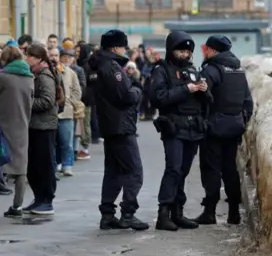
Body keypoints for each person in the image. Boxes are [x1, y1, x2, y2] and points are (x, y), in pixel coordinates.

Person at [88, 29, 149, 231]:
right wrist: (137, 89)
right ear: (115, 47)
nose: (125, 50)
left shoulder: (99, 65)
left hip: (109, 124)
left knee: (113, 171)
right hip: (120, 125)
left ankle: (107, 214)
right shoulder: (112, 67)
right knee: (134, 171)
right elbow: (126, 96)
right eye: (123, 46)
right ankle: (128, 213)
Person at [149, 31, 208, 231]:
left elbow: (208, 102)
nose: (184, 55)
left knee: (182, 172)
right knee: (173, 169)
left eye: (187, 51)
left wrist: (204, 90)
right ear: (171, 50)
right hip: (173, 127)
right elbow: (158, 98)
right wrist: (186, 89)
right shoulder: (162, 70)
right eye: (180, 50)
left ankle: (178, 213)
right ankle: (163, 214)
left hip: (193, 128)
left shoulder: (193, 70)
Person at [196, 35, 253, 225]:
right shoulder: (238, 69)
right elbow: (248, 102)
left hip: (213, 128)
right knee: (230, 169)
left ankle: (210, 212)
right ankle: (234, 212)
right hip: (234, 127)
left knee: (211, 169)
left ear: (213, 50)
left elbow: (201, 95)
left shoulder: (212, 69)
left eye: (207, 49)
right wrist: (240, 120)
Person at [0, 46, 34, 217]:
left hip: (3, 124)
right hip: (23, 124)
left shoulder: (3, 77)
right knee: (20, 167)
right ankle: (17, 206)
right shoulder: (29, 77)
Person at [23, 43, 60, 215]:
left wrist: (26, 103)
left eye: (29, 56)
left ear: (37, 58)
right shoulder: (36, 74)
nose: (26, 59)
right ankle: (39, 199)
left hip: (44, 127)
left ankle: (46, 200)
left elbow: (47, 100)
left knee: (44, 165)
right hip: (36, 126)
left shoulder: (45, 76)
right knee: (34, 166)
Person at [54, 48, 82, 176]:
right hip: (52, 113)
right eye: (63, 57)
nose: (65, 59)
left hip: (67, 112)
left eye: (68, 57)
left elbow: (77, 90)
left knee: (67, 141)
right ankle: (55, 164)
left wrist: (71, 102)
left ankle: (67, 165)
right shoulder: (49, 71)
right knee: (53, 142)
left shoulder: (71, 73)